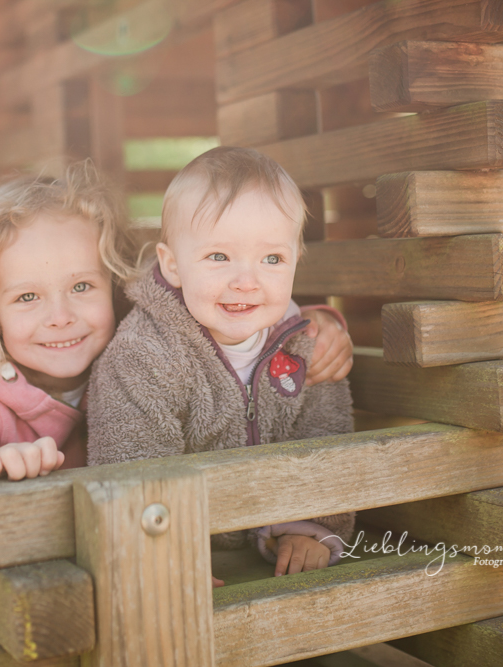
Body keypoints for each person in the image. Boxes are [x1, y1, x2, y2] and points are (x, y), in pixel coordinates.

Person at [0, 161, 353, 543]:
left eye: (81, 286)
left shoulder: (145, 349)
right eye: (27, 297)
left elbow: (219, 318)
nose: (60, 316)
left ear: (113, 285)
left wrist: (318, 323)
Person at [87, 147, 355, 579]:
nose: (246, 281)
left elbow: (323, 431)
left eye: (272, 259)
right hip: (170, 543)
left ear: (294, 263)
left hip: (266, 542)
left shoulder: (300, 344)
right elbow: (131, 461)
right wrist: (163, 552)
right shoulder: (143, 355)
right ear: (172, 265)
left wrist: (310, 528)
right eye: (218, 257)